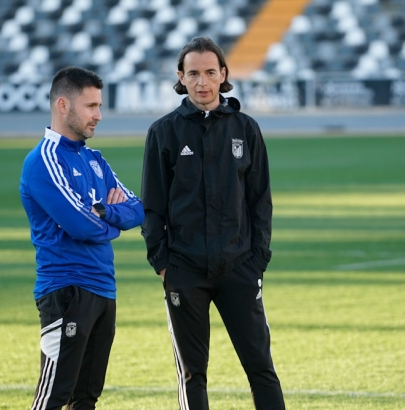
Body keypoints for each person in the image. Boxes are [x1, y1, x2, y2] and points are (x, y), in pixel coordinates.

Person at [140, 37, 286, 409]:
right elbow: (152, 206)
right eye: (193, 73)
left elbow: (260, 202)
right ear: (180, 77)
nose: (202, 82)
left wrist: (258, 260)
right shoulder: (163, 132)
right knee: (193, 374)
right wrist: (162, 264)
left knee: (260, 367)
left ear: (223, 75)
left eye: (209, 72)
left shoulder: (246, 129)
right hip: (184, 270)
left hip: (240, 266)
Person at [20, 66, 144, 410]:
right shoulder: (43, 161)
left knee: (86, 397)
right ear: (63, 105)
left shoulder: (94, 159)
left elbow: (137, 208)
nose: (99, 116)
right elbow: (81, 225)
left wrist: (103, 212)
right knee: (53, 397)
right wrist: (109, 218)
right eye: (90, 106)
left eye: (99, 106)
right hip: (66, 290)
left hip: (103, 289)